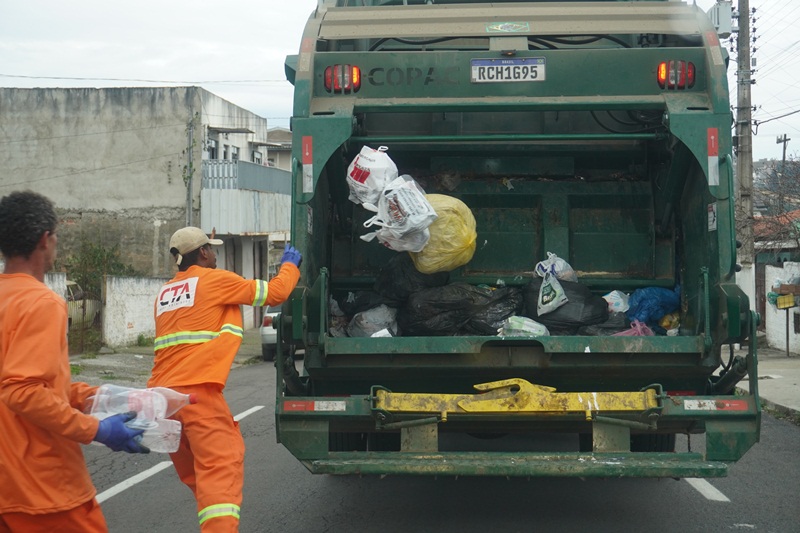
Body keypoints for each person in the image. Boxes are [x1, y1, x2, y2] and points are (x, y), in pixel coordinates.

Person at [0, 190, 148, 533]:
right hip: (43, 488)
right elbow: (21, 391)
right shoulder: (42, 303)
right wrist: (97, 429)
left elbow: (32, 381)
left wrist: (95, 395)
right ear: (45, 240)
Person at [150, 226, 301, 532]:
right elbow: (276, 293)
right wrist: (289, 266)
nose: (215, 253)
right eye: (212, 248)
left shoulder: (165, 293)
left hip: (160, 403)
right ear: (203, 252)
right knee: (219, 479)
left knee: (200, 479)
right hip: (196, 397)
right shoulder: (214, 280)